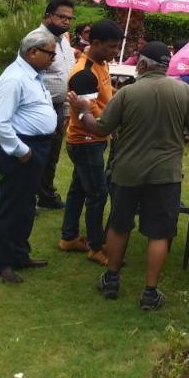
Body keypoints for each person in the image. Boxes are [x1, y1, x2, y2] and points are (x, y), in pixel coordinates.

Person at [68, 41, 189, 310]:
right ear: (166, 66)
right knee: (159, 233)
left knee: (119, 226)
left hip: (126, 172)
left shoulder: (126, 94)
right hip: (165, 175)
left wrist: (83, 111)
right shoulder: (183, 92)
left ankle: (111, 280)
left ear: (141, 65)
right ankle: (149, 293)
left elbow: (100, 129)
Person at [0, 28, 61, 284]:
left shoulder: (33, 75)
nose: (53, 59)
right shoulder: (14, 78)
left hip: (36, 147)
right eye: (50, 54)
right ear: (32, 52)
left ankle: (19, 253)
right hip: (22, 150)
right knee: (11, 205)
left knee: (27, 203)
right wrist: (21, 150)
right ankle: (0, 262)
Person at [59, 20, 124, 265]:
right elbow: (91, 117)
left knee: (79, 188)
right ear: (94, 43)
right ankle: (96, 247)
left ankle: (69, 237)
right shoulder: (84, 74)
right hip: (86, 141)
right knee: (97, 193)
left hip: (94, 140)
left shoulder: (101, 64)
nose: (114, 52)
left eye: (117, 47)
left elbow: (105, 98)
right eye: (110, 47)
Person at [33, 0, 76, 210]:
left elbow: (67, 75)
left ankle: (46, 195)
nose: (66, 22)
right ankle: (29, 200)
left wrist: (67, 108)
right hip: (39, 107)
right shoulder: (37, 40)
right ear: (48, 16)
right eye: (61, 17)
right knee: (37, 153)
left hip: (58, 107)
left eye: (70, 18)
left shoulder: (64, 42)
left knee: (51, 154)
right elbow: (29, 76)